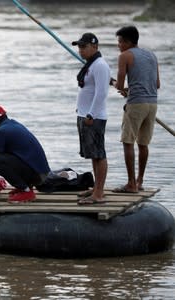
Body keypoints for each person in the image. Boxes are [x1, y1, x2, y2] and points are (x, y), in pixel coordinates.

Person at [113, 25, 160, 193]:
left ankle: (131, 184)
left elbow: (119, 84)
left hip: (136, 103)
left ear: (127, 42)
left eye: (119, 42)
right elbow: (157, 84)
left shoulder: (125, 56)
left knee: (128, 142)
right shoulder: (152, 55)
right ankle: (139, 181)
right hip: (152, 104)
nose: (118, 45)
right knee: (143, 144)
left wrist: (118, 86)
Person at [0, 106, 50, 202]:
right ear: (5, 115)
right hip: (41, 174)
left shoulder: (2, 131)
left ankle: (26, 191)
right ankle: (25, 187)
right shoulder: (12, 124)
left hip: (37, 175)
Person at [71, 33, 110, 205]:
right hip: (85, 115)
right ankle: (95, 189)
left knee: (99, 154)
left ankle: (99, 194)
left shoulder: (100, 65)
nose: (80, 50)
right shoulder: (90, 65)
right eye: (79, 47)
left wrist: (91, 115)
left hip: (93, 117)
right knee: (93, 155)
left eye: (84, 46)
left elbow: (101, 93)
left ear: (94, 47)